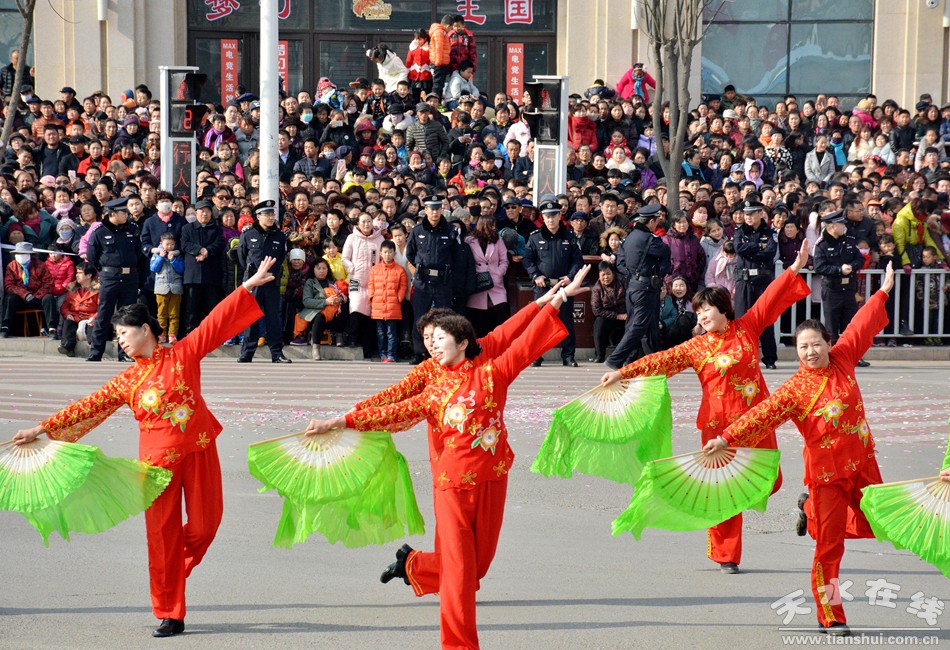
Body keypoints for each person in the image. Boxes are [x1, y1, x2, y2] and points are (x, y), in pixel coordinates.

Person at [303, 266, 591, 650]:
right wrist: (341, 420)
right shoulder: (431, 385)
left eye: (439, 337)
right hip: (451, 481)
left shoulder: (491, 373)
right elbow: (392, 408)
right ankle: (458, 644)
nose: (432, 345)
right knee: (458, 571)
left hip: (492, 476)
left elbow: (520, 340)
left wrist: (555, 299)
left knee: (477, 566)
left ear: (463, 342)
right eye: (427, 338)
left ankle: (414, 565)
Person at [12, 258, 278, 638]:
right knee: (162, 539)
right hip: (156, 468)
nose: (120, 339)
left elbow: (214, 324)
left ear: (145, 329)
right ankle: (170, 610)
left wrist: (247, 286)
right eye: (117, 334)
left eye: (124, 332)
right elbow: (89, 407)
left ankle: (172, 571)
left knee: (205, 526)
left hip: (198, 450)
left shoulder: (183, 354)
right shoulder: (127, 380)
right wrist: (42, 429)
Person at [704, 263, 895, 637]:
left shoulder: (843, 358)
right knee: (829, 547)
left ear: (828, 343)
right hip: (827, 476)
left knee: (878, 525)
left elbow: (861, 325)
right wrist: (725, 438)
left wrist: (883, 291)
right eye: (803, 347)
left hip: (864, 466)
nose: (810, 352)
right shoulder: (794, 390)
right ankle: (830, 615)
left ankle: (807, 511)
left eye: (816, 344)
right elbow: (760, 415)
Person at [603, 243, 811, 571]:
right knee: (724, 492)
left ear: (724, 309)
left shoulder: (747, 328)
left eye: (707, 309)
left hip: (756, 422)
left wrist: (794, 269)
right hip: (717, 429)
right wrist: (622, 372)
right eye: (698, 311)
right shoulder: (696, 347)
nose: (702, 315)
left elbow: (770, 300)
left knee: (771, 481)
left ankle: (807, 509)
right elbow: (661, 360)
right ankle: (727, 555)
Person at [605, 204, 671, 369]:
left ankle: (654, 360)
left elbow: (620, 262)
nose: (657, 224)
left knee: (650, 325)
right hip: (646, 288)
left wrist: (632, 274)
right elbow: (666, 252)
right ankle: (616, 358)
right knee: (639, 325)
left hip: (633, 285)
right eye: (656, 221)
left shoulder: (629, 237)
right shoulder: (650, 239)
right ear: (651, 222)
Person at [523, 200, 584, 367]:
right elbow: (527, 259)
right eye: (547, 216)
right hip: (543, 287)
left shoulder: (570, 237)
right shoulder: (535, 237)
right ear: (542, 217)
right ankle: (536, 356)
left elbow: (577, 261)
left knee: (566, 321)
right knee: (540, 322)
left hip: (564, 286)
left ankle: (568, 356)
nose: (550, 220)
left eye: (553, 216)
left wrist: (570, 276)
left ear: (559, 216)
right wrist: (536, 275)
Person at [85, 197, 142, 362]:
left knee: (127, 316)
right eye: (123, 212)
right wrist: (105, 270)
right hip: (109, 277)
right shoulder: (99, 232)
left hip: (130, 277)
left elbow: (138, 253)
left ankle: (125, 353)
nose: (126, 215)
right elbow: (92, 256)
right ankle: (96, 352)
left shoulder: (132, 229)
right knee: (104, 314)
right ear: (113, 214)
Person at [406, 196, 461, 364]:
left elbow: (457, 256)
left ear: (442, 210)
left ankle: (443, 353)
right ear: (426, 210)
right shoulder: (417, 231)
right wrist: (419, 269)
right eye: (431, 209)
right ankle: (419, 353)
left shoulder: (450, 230)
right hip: (423, 282)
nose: (435, 212)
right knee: (420, 318)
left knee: (444, 319)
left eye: (438, 209)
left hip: (443, 282)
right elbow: (410, 254)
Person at [238, 200, 292, 363]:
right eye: (267, 214)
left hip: (271, 282)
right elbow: (242, 258)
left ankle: (276, 353)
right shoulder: (248, 234)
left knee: (273, 318)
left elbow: (281, 257)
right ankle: (247, 353)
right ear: (258, 216)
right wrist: (254, 275)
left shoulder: (280, 236)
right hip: (253, 282)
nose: (271, 217)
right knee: (250, 318)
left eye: (272, 214)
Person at [813, 210, 869, 365]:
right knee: (832, 326)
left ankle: (853, 356)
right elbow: (819, 267)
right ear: (832, 226)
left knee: (850, 325)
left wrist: (852, 267)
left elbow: (859, 259)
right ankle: (834, 357)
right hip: (832, 290)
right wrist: (839, 270)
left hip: (849, 289)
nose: (844, 227)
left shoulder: (849, 241)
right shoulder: (822, 245)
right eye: (840, 224)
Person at [733, 200, 779, 369]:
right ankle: (742, 357)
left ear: (760, 214)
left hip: (762, 281)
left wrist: (751, 250)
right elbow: (739, 249)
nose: (748, 217)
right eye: (746, 214)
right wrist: (758, 246)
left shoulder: (769, 232)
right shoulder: (739, 232)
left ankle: (769, 358)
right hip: (744, 281)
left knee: (765, 320)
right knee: (741, 321)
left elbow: (770, 252)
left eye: (752, 214)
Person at [180, 199, 224, 335]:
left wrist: (207, 252)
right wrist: (199, 250)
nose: (204, 214)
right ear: (196, 213)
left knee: (212, 307)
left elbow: (219, 244)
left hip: (211, 274)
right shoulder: (187, 228)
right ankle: (190, 334)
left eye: (207, 211)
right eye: (201, 211)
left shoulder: (216, 229)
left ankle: (213, 334)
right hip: (192, 275)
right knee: (191, 307)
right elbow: (184, 244)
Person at [464, 214, 510, 338]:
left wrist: (498, 274)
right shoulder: (470, 240)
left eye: (494, 224)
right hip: (478, 284)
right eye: (491, 225)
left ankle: (497, 343)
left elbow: (504, 260)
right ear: (483, 225)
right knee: (479, 319)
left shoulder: (498, 240)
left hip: (495, 282)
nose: (494, 227)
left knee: (499, 314)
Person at [1, 241, 58, 338]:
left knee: (49, 298)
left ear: (30, 255)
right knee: (10, 298)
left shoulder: (41, 265)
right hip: (21, 298)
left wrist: (36, 296)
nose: (20, 256)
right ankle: (5, 327)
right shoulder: (11, 266)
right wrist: (26, 295)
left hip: (37, 298)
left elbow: (48, 284)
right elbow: (9, 285)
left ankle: (52, 329)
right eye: (18, 253)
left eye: (23, 254)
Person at [368, 239, 408, 362]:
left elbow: (403, 286)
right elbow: (370, 284)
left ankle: (392, 354)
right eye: (385, 252)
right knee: (380, 332)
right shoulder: (374, 269)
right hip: (378, 306)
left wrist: (398, 298)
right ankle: (382, 353)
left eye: (390, 252)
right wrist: (372, 296)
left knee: (391, 332)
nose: (387, 255)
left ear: (394, 253)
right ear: (380, 253)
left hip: (393, 307)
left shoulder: (400, 270)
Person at [149, 232, 185, 344]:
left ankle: (172, 334)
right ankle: (162, 334)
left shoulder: (177, 255)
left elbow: (181, 269)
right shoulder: (156, 255)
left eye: (172, 244)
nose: (169, 247)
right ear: (161, 243)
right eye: (167, 244)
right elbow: (154, 268)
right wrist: (160, 257)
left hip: (176, 288)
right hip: (161, 288)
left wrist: (173, 260)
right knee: (162, 313)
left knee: (174, 313)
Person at [57, 263, 99, 357]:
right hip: (75, 317)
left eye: (80, 273)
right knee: (68, 323)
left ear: (89, 275)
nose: (77, 275)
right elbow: (65, 306)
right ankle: (67, 347)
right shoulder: (72, 288)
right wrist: (67, 314)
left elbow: (102, 308)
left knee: (93, 326)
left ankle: (94, 349)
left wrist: (94, 317)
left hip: (90, 318)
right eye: (77, 272)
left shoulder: (98, 290)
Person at [591, 261, 627, 363]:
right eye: (603, 275)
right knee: (599, 322)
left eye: (608, 274)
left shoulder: (623, 281)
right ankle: (600, 355)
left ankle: (628, 355)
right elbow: (596, 310)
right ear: (599, 276)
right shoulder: (597, 289)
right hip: (608, 317)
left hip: (625, 314)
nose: (606, 277)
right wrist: (617, 316)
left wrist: (626, 314)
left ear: (613, 273)